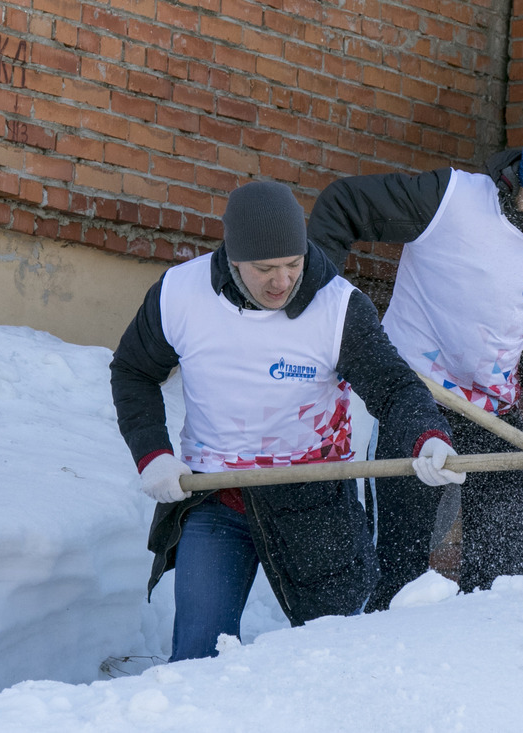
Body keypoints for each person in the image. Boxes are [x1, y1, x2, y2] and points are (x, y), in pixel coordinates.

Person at [110, 181, 463, 662]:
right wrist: (153, 453)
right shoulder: (179, 294)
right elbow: (132, 371)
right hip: (217, 492)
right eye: (265, 269)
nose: (282, 282)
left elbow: (395, 387)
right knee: (196, 658)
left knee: (332, 654)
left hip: (315, 495)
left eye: (293, 265)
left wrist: (426, 437)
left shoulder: (337, 308)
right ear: (233, 259)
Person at [307, 119, 523, 606]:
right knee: (400, 560)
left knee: (504, 570)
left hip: (493, 412)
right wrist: (322, 310)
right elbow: (343, 205)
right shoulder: (450, 201)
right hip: (414, 398)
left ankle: (485, 662)